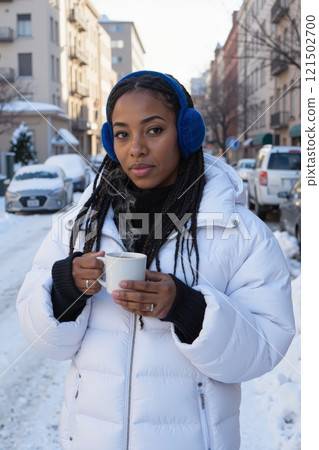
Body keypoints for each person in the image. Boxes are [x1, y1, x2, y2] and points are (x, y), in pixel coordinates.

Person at [17, 70, 295, 450]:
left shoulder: (237, 232)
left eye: (153, 130)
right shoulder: (79, 225)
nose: (136, 148)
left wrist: (186, 309)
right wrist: (66, 287)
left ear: (187, 133)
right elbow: (45, 343)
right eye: (122, 134)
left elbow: (269, 346)